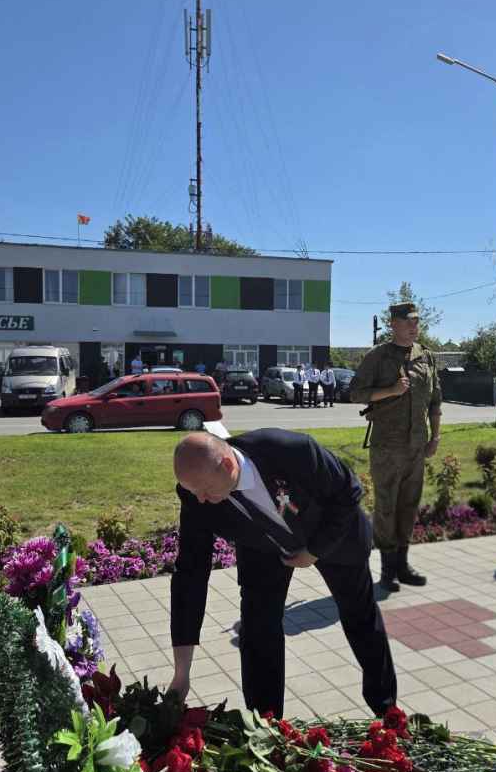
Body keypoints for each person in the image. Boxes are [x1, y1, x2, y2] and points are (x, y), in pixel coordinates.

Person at [168, 430, 397, 718]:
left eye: (204, 489)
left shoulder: (290, 450)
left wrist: (314, 551)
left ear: (227, 465)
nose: (200, 499)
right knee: (257, 628)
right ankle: (266, 724)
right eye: (193, 491)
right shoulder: (195, 495)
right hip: (263, 546)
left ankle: (387, 710)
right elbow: (190, 574)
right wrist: (182, 673)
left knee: (360, 616)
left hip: (331, 534)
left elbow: (348, 491)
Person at [348, 301, 441, 592]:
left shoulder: (425, 356)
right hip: (387, 446)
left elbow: (435, 400)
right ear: (394, 324)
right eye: (408, 321)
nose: (414, 326)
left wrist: (435, 436)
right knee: (386, 507)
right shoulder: (378, 356)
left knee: (409, 505)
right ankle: (388, 570)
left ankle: (403, 564)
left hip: (416, 446)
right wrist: (391, 390)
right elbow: (356, 393)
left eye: (416, 321)